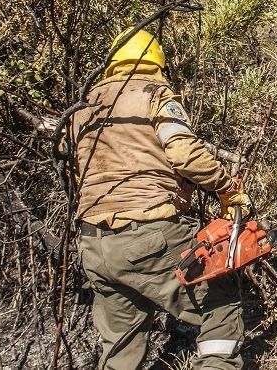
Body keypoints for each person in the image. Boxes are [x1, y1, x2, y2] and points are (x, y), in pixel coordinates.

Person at [70, 27, 250, 368]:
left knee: (120, 350)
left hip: (93, 244)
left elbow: (76, 170)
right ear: (157, 63)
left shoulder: (82, 107)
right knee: (220, 305)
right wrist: (228, 190)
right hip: (148, 233)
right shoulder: (154, 94)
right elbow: (185, 154)